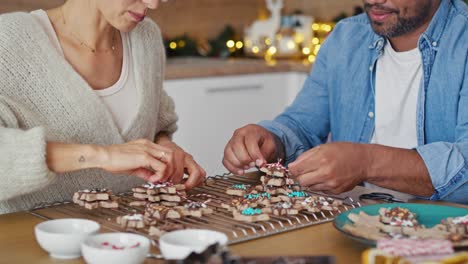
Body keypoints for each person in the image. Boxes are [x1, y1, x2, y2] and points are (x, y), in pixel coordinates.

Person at [223, 0, 468, 204]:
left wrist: (366, 162)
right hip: (351, 221)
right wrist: (272, 140)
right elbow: (303, 124)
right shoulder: (346, 37)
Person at [0, 0, 206, 214]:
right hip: (30, 238)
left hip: (129, 236)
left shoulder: (146, 37)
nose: (153, 4)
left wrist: (163, 150)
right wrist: (100, 155)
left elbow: (155, 123)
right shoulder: (8, 41)